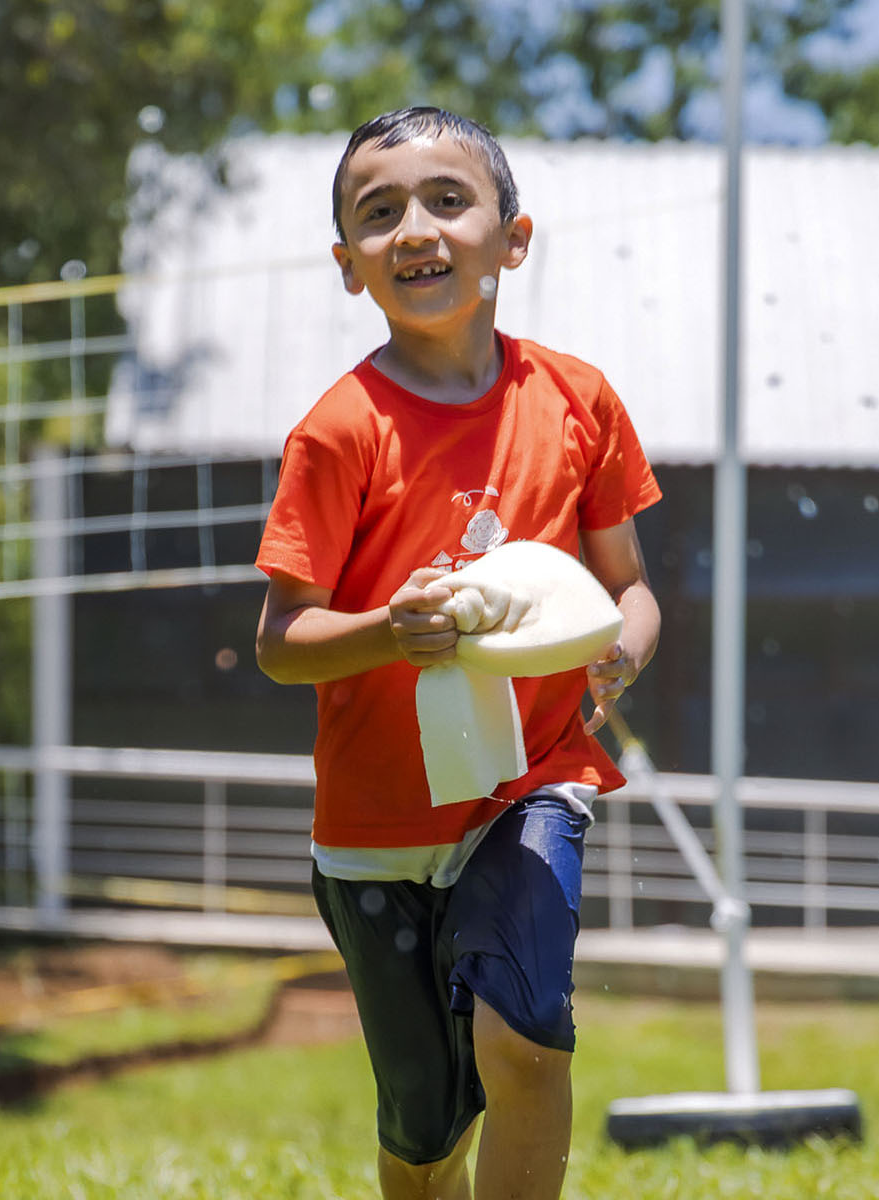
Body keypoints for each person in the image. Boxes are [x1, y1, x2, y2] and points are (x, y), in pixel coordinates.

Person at [254, 106, 661, 1200]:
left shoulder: (578, 401)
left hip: (531, 782)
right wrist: (390, 631)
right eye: (379, 213)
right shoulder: (339, 432)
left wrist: (620, 650)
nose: (415, 229)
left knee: (524, 1040)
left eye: (447, 200)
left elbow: (628, 588)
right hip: (376, 828)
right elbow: (282, 643)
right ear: (349, 266)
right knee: (427, 1136)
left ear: (512, 239)